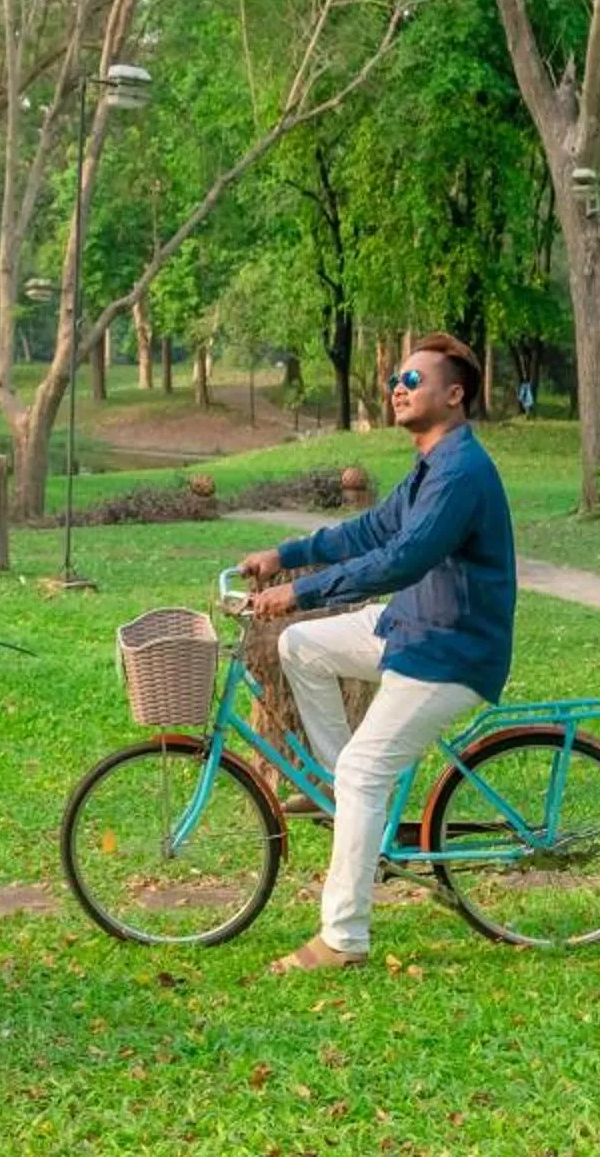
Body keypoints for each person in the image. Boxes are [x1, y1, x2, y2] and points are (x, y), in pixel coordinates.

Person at [231, 331, 516, 970]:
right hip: (410, 626)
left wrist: (299, 591)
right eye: (395, 379)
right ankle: (345, 797)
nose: (398, 387)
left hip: (450, 650)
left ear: (454, 394)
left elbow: (401, 559)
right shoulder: (429, 465)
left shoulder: (461, 471)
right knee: (302, 647)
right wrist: (285, 556)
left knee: (367, 770)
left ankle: (343, 939)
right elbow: (371, 530)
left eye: (413, 381)